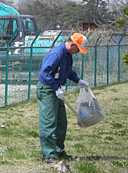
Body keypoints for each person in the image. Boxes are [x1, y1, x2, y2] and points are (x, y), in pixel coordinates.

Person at [36, 33, 89, 163]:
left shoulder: (67, 55)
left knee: (61, 123)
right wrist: (56, 88)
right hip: (47, 89)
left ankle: (58, 151)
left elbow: (68, 70)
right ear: (72, 45)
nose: (78, 53)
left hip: (55, 89)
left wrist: (78, 80)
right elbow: (45, 73)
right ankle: (48, 155)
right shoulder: (57, 54)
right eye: (78, 49)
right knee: (49, 123)